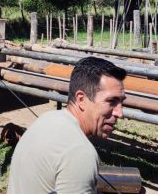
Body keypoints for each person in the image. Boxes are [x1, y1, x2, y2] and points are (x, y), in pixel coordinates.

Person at [7, 56, 127, 194]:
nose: (120, 113)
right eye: (112, 101)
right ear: (81, 99)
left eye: (121, 102)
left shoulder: (47, 119)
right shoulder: (80, 152)